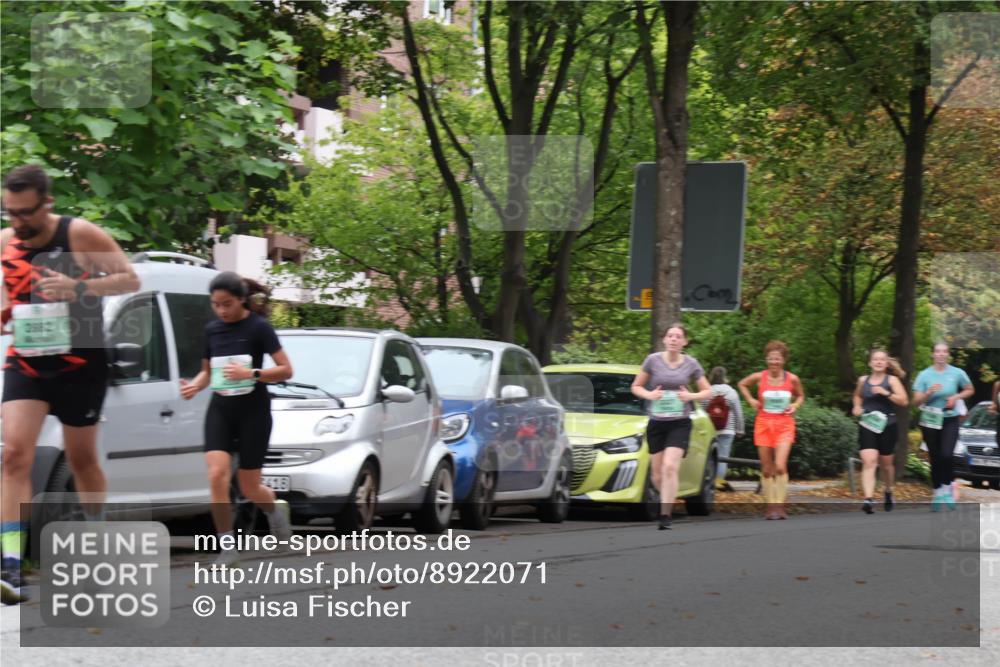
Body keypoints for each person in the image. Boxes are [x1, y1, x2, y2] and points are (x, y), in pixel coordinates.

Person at [1, 165, 139, 604]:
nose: (18, 222)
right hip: (27, 361)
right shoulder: (5, 241)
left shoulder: (80, 235)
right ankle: (9, 566)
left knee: (81, 460)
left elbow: (130, 279)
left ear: (47, 204)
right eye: (10, 212)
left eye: (25, 213)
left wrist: (77, 287)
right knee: (14, 455)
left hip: (81, 362)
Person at [180, 272, 294, 563]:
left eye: (227, 304)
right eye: (216, 305)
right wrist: (196, 384)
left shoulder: (259, 328)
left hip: (253, 412)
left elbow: (286, 370)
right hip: (220, 409)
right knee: (216, 475)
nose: (221, 311)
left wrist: (252, 374)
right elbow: (208, 370)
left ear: (241, 299)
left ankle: (274, 511)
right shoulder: (212, 330)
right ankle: (227, 547)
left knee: (249, 487)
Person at [631, 324, 713, 530]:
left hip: (680, 423)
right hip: (657, 422)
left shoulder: (691, 364)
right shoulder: (652, 361)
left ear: (684, 341)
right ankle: (669, 497)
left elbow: (707, 391)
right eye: (670, 336)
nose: (674, 339)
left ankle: (665, 515)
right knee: (657, 475)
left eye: (678, 336)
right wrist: (649, 395)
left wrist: (690, 396)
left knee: (670, 466)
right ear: (664, 340)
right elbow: (636, 386)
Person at [737, 340, 805, 520]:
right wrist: (750, 400)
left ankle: (780, 506)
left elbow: (800, 396)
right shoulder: (759, 377)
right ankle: (770, 506)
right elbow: (742, 384)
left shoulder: (792, 379)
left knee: (780, 466)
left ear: (784, 360)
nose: (774, 362)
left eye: (777, 359)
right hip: (764, 424)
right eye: (771, 358)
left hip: (784, 424)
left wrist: (795, 405)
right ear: (766, 359)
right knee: (767, 469)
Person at [912, 342, 975, 511]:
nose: (940, 354)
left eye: (944, 352)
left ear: (948, 355)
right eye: (937, 352)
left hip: (950, 419)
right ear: (933, 354)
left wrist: (956, 397)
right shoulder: (924, 375)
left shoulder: (957, 373)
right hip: (930, 420)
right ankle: (937, 491)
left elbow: (970, 389)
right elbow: (916, 401)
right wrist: (928, 393)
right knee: (936, 457)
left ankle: (947, 487)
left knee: (947, 455)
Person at [851, 348, 908, 514]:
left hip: (887, 425)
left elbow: (904, 401)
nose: (878, 362)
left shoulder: (892, 381)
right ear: (870, 363)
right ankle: (868, 499)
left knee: (886, 464)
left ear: (886, 364)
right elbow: (857, 396)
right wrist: (856, 407)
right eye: (875, 359)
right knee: (869, 461)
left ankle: (888, 490)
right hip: (868, 423)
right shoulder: (863, 380)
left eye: (882, 360)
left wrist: (886, 392)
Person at [702, 367, 745, 491]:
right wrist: (740, 430)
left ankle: (709, 482)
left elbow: (701, 410)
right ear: (725, 377)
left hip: (710, 431)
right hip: (727, 431)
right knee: (723, 457)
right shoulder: (731, 392)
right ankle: (719, 484)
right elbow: (738, 413)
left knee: (709, 457)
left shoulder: (706, 391)